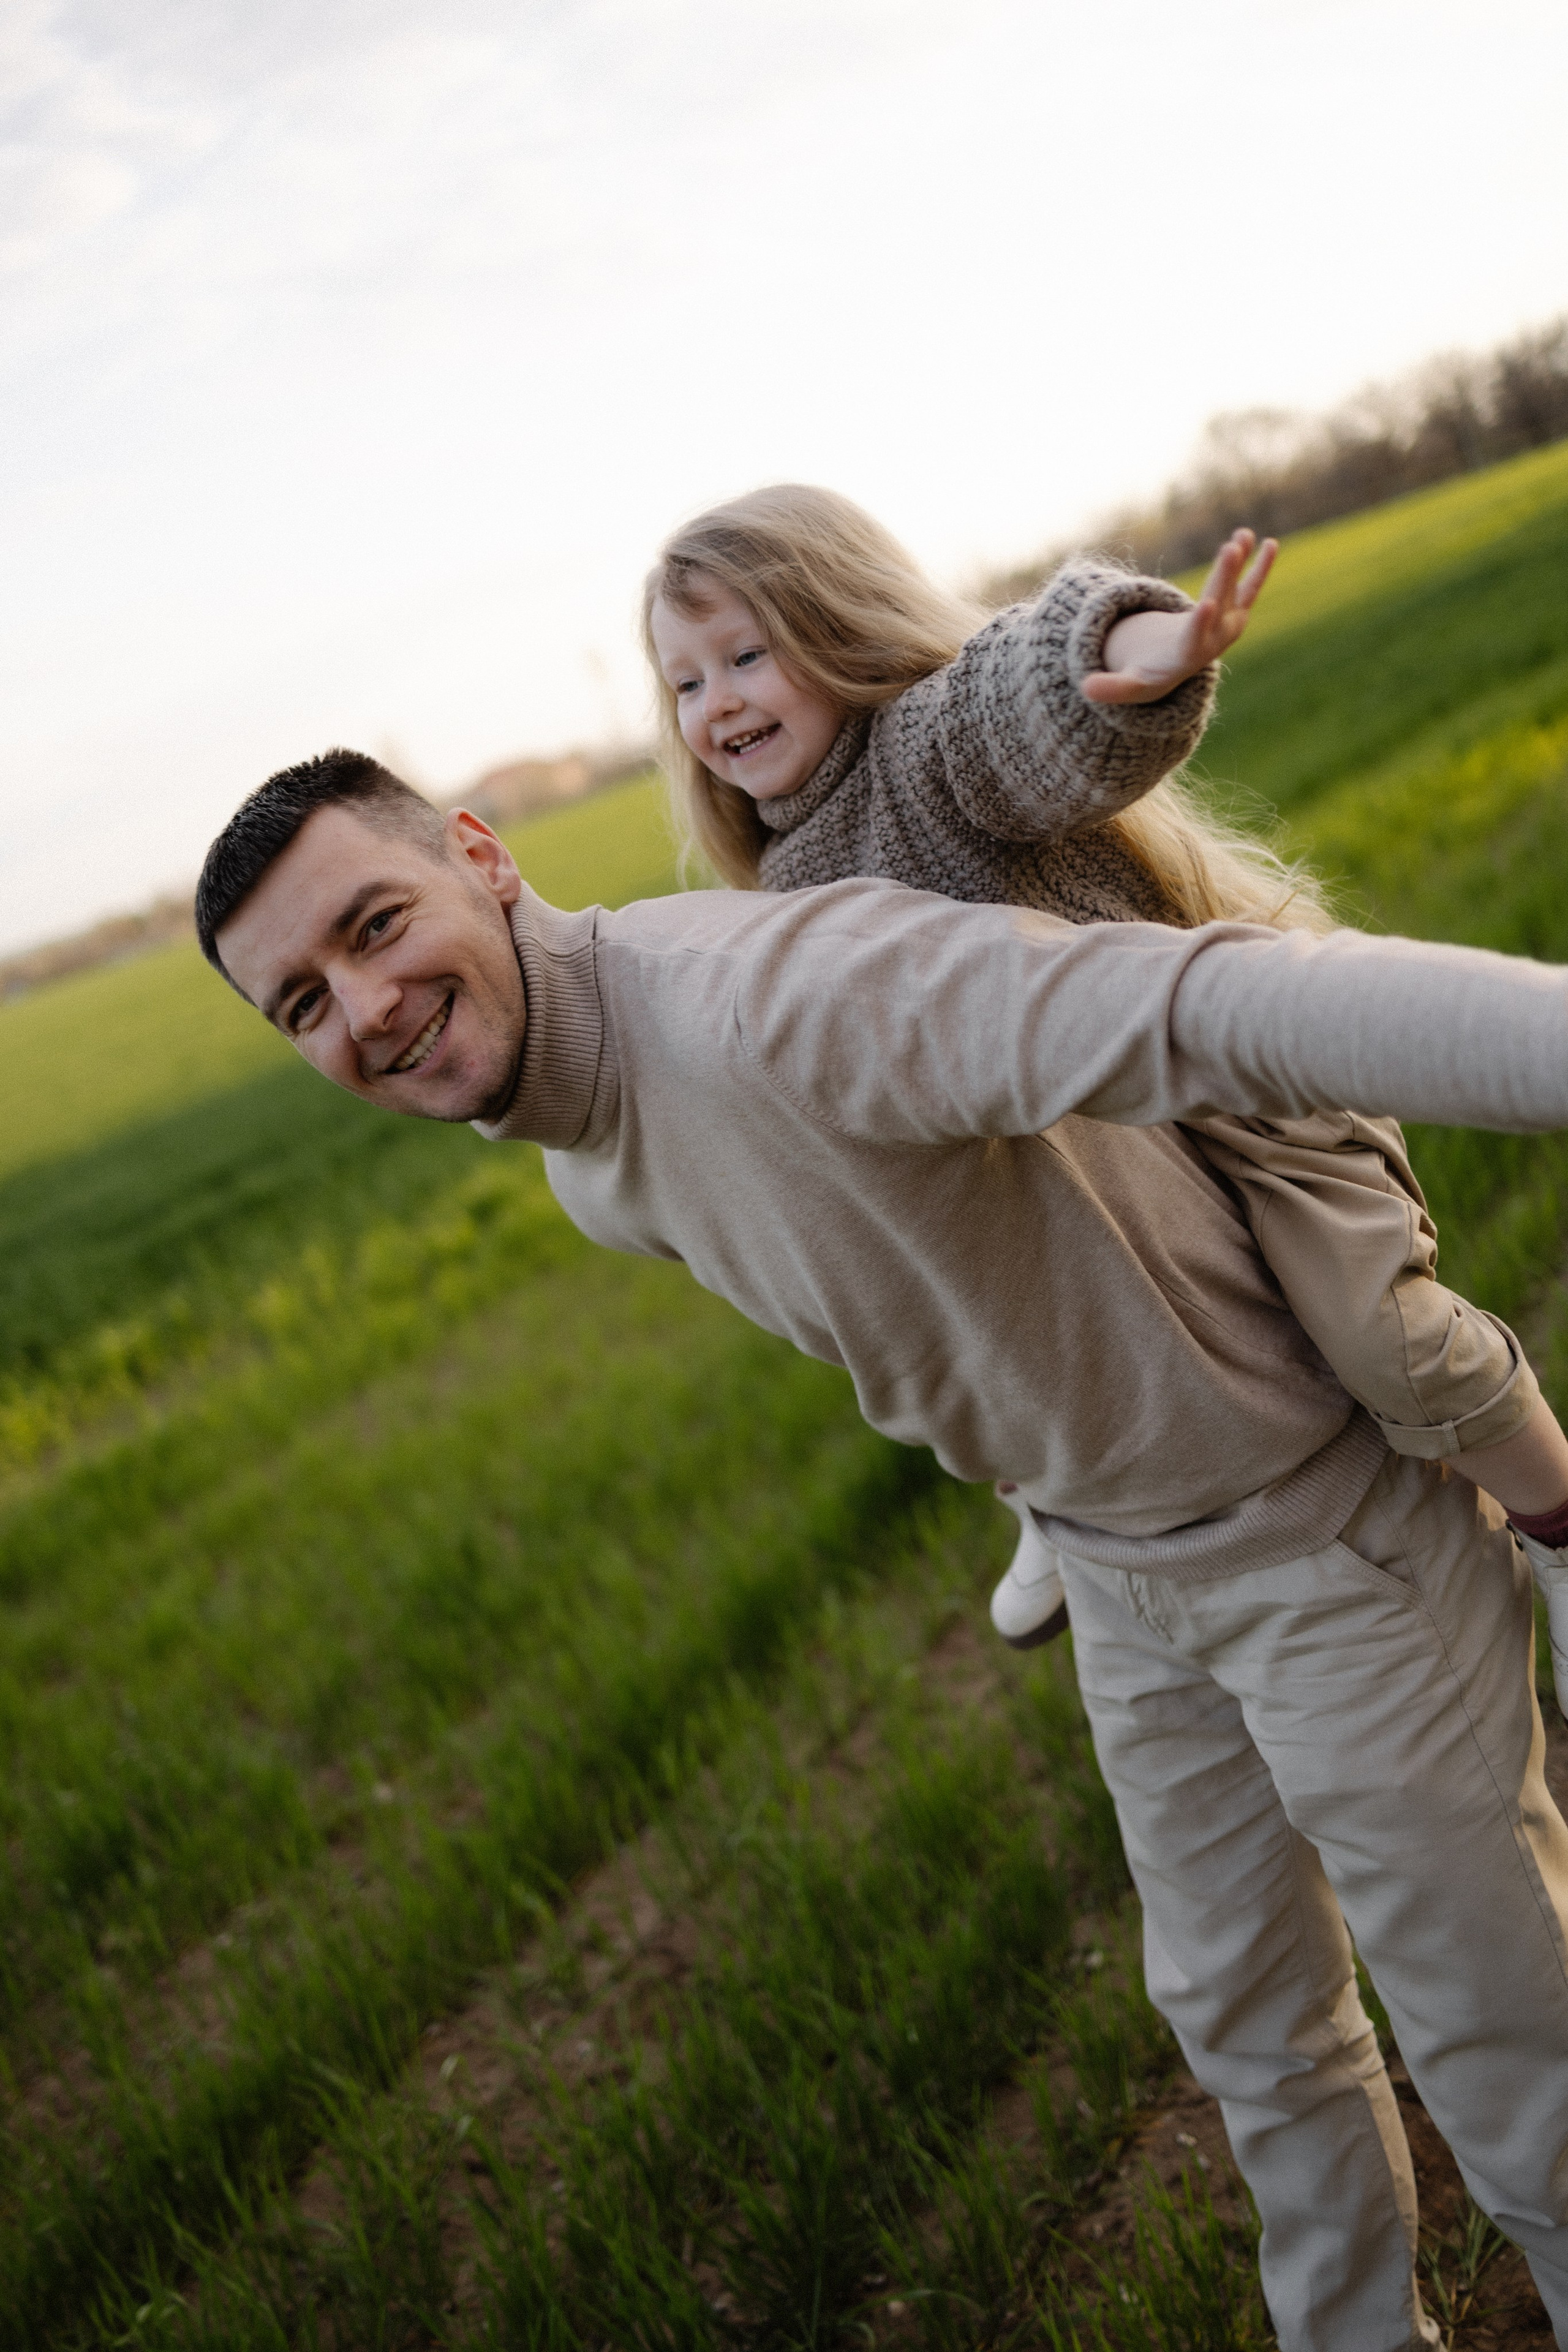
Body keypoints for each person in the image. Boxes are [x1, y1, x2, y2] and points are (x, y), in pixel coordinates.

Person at [198, 752, 1568, 2352]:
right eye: (302, 1004)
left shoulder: (770, 996)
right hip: (1128, 1574)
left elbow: (1214, 1006)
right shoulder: (586, 1165)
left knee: (1509, 2055)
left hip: (1326, 1543)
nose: (363, 1010)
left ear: (484, 859)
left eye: (374, 925)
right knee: (1252, 2042)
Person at [641, 484, 1566, 1655]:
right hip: (1077, 1183)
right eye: (685, 683)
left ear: (839, 626)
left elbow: (1017, 693)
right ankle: (1047, 1496)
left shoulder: (923, 757)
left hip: (1224, 1107)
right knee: (953, 1310)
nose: (716, 704)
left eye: (744, 657)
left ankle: (1556, 1525)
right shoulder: (779, 896)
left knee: (1382, 1336)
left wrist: (1141, 650)